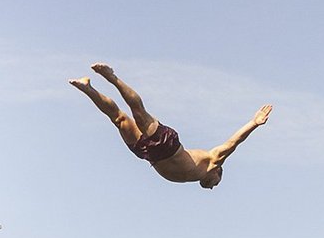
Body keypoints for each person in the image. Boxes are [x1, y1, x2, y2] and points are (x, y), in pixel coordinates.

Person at [70, 63, 272, 189]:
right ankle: (111, 77)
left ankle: (87, 88)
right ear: (217, 170)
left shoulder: (197, 176)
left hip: (148, 154)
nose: (212, 187)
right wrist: (254, 123)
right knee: (138, 112)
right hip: (167, 146)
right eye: (216, 183)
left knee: (119, 119)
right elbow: (234, 142)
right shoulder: (213, 160)